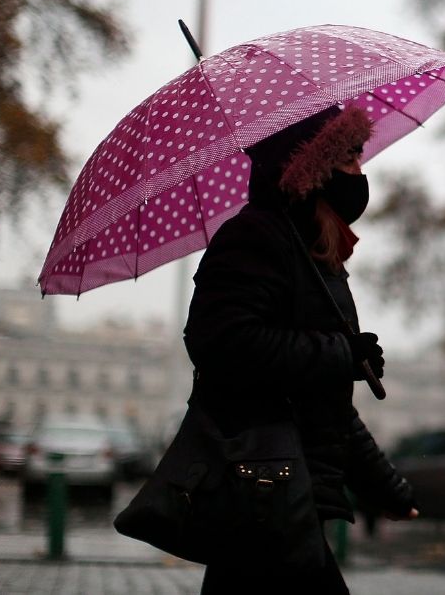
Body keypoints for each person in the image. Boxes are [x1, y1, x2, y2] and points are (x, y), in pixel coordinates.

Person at [183, 105, 418, 594]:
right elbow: (220, 342)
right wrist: (339, 354)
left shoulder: (311, 251)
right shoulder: (256, 238)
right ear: (311, 168)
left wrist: (385, 489)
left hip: (288, 496)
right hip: (265, 489)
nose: (360, 171)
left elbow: (324, 407)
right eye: (350, 156)